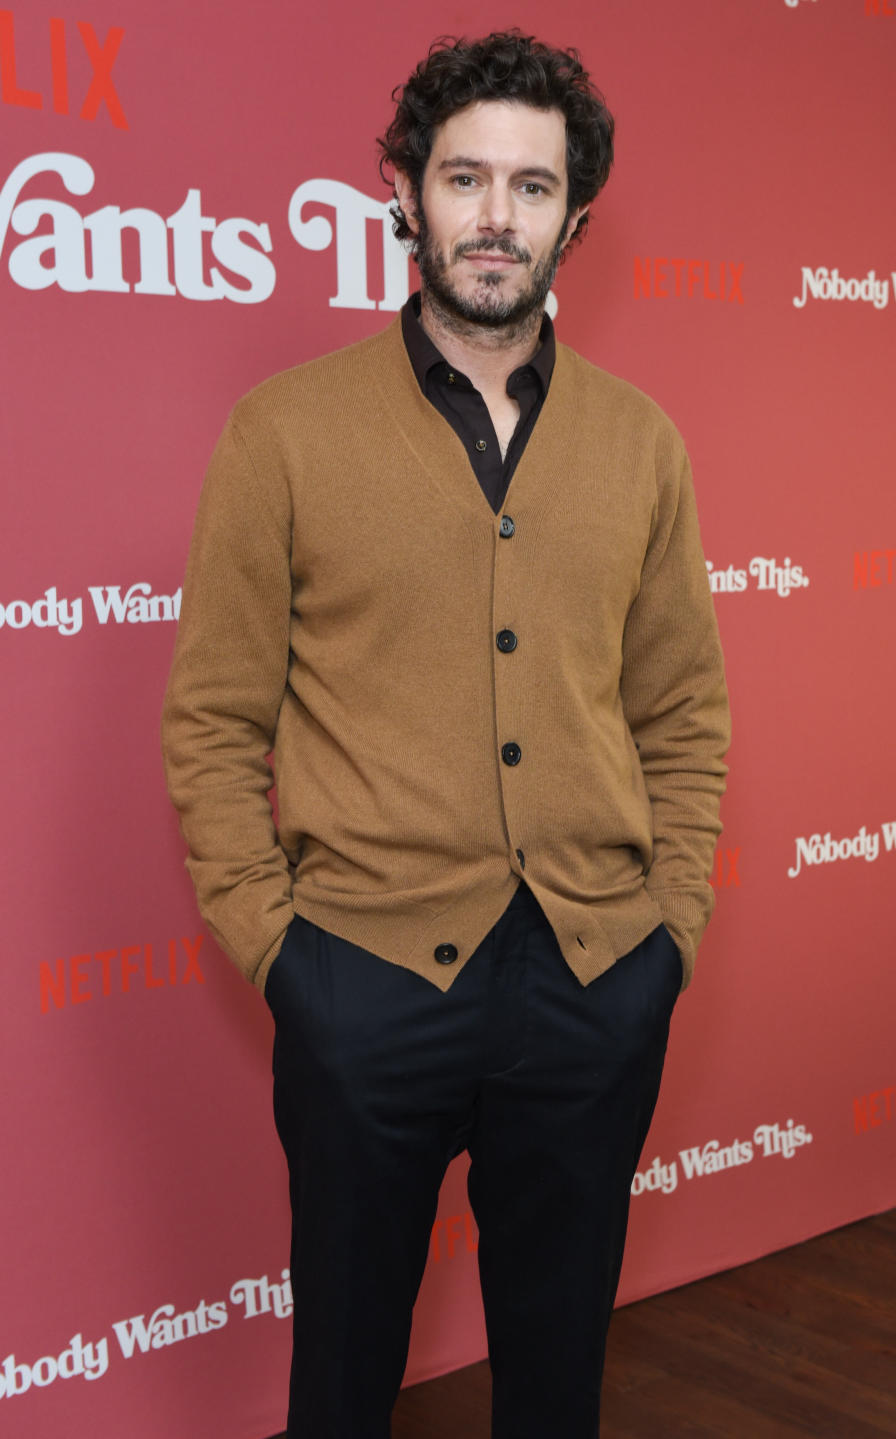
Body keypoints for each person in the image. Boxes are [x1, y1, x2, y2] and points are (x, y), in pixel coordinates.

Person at [162, 30, 730, 1439]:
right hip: (361, 979)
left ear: (574, 219)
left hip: (596, 977)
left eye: (531, 188)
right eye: (465, 177)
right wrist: (278, 952)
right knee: (344, 1381)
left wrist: (669, 930)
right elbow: (215, 718)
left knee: (557, 1379)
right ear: (404, 195)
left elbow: (681, 708)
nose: (496, 216)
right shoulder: (283, 434)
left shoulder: (644, 442)